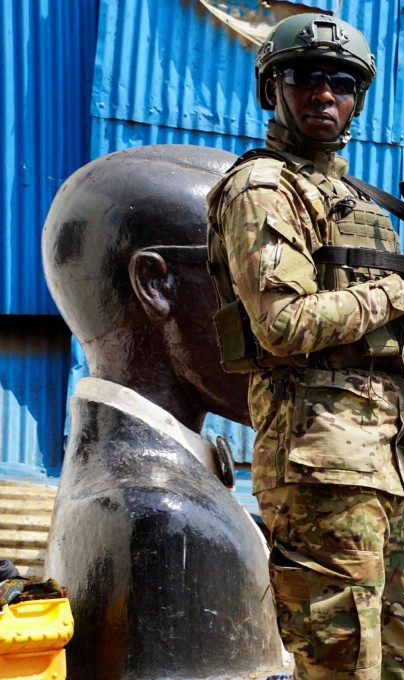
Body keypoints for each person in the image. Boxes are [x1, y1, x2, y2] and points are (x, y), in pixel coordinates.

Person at [205, 13, 404, 679]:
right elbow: (282, 325)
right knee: (343, 664)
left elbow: (379, 357)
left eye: (343, 83)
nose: (325, 94)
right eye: (306, 78)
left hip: (388, 463)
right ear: (272, 89)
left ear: (358, 99)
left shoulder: (355, 202)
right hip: (319, 466)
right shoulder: (263, 189)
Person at [41, 144, 284, 679]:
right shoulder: (164, 516)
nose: (284, 322)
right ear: (156, 284)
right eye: (256, 284)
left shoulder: (134, 489)